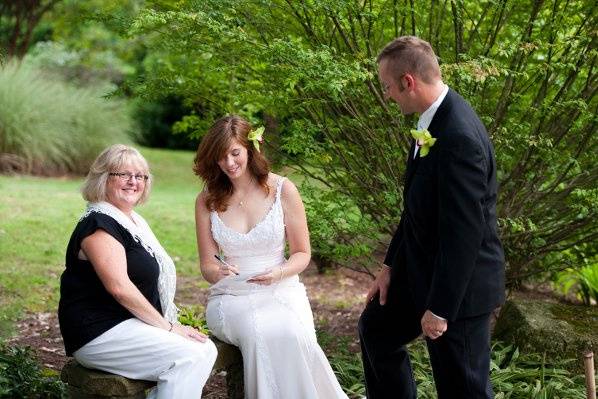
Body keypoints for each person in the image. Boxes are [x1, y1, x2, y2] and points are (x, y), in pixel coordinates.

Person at [358, 36, 505, 398]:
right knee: (376, 328)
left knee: (463, 389)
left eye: (388, 87)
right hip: (420, 269)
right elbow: (417, 209)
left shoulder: (458, 136)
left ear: (408, 82)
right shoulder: (432, 120)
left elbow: (463, 235)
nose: (387, 95)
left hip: (458, 288)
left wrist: (439, 309)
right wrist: (390, 266)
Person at [194, 115, 348, 399]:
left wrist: (278, 273)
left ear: (251, 148)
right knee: (257, 330)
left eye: (234, 153)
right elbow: (206, 264)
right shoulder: (206, 200)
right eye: (220, 157)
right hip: (231, 297)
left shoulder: (282, 189)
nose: (228, 163)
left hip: (282, 288)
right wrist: (217, 272)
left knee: (292, 332)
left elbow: (302, 253)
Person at [58, 144, 217, 399]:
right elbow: (120, 288)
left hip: (126, 325)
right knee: (192, 355)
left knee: (204, 349)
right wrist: (168, 328)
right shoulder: (98, 225)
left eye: (140, 176)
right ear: (103, 178)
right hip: (98, 333)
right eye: (123, 174)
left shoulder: (133, 222)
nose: (133, 181)